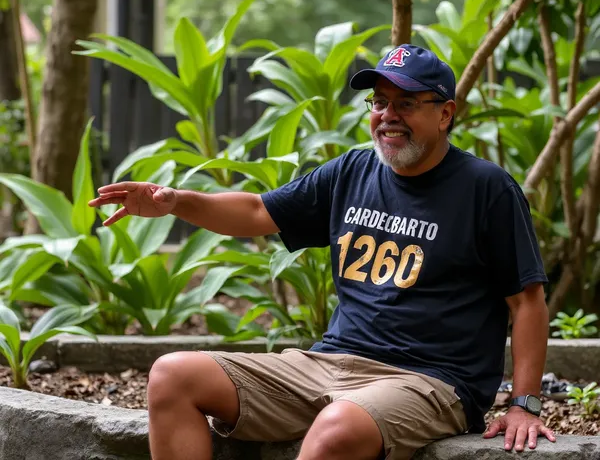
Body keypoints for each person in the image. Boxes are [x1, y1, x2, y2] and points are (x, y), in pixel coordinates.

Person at [89, 44, 556, 460]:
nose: (388, 115)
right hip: (328, 364)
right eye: (380, 102)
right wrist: (174, 201)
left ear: (446, 114)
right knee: (173, 375)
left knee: (336, 429)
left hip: (429, 381)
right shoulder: (353, 169)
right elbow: (256, 212)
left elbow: (527, 301)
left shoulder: (486, 189)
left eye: (407, 104)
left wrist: (523, 404)